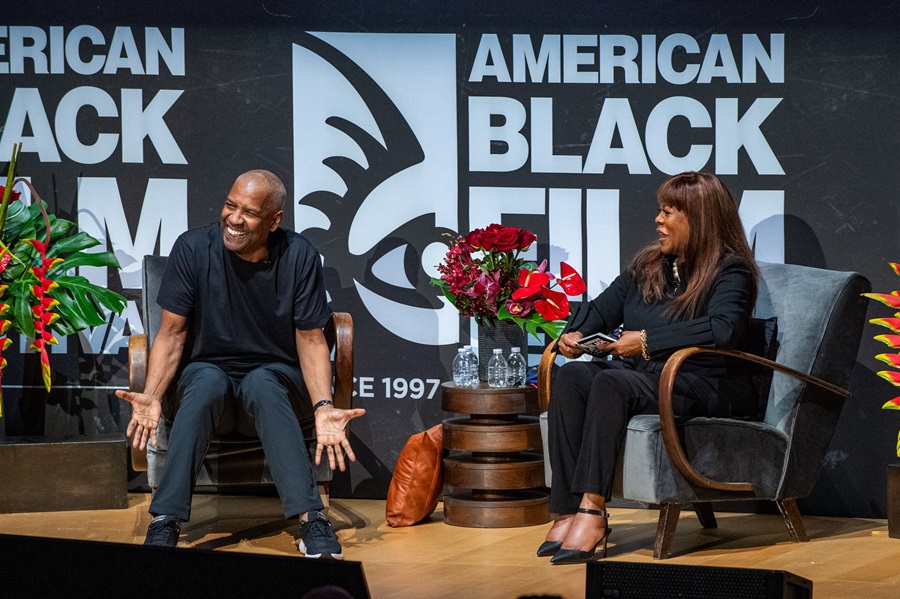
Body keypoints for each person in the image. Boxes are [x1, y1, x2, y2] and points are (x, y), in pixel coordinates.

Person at [116, 170, 365, 559]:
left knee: (263, 382)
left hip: (276, 384)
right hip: (206, 380)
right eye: (230, 205)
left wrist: (323, 405)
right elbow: (172, 333)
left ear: (274, 220)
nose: (234, 218)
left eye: (248, 212)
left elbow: (312, 338)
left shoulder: (298, 255)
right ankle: (165, 519)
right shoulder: (193, 248)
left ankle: (311, 519)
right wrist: (151, 394)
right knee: (206, 380)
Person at [540, 171, 759, 565]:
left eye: (669, 212)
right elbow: (600, 310)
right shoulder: (649, 266)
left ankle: (592, 511)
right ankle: (565, 510)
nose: (658, 220)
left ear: (699, 219)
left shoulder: (731, 271)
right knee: (572, 376)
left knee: (610, 383)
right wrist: (575, 334)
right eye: (660, 210)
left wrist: (645, 341)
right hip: (644, 379)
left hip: (696, 383)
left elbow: (723, 328)